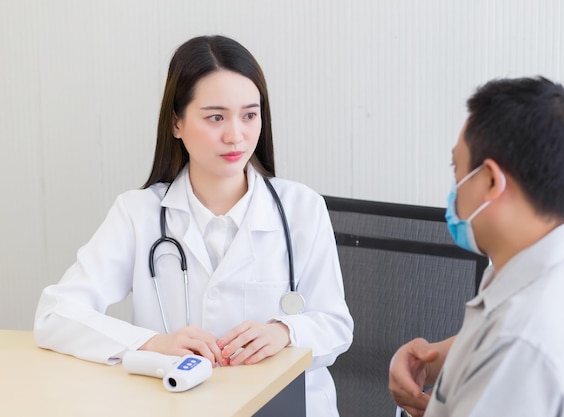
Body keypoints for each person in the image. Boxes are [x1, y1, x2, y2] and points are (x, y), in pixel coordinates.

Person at [34, 35, 353, 417]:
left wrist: (286, 332)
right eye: (215, 117)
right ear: (176, 122)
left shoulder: (302, 209)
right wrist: (150, 343)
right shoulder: (139, 214)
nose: (236, 135)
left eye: (249, 115)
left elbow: (336, 326)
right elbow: (55, 316)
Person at [389, 76, 564, 416]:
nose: (454, 186)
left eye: (456, 167)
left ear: (490, 181)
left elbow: (511, 352)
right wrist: (436, 359)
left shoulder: (521, 348)